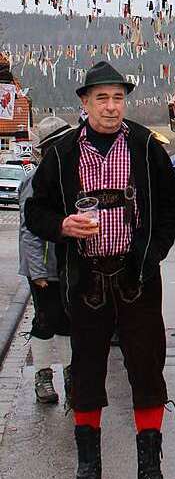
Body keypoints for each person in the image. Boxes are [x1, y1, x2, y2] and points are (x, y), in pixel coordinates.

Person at [25, 61, 175, 479]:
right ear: (84, 102)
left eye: (118, 98)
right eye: (102, 99)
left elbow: (173, 204)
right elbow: (34, 213)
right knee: (88, 371)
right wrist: (63, 226)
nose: (112, 107)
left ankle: (150, 476)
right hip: (87, 280)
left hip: (136, 279)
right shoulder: (60, 153)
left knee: (147, 369)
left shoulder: (144, 145)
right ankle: (88, 471)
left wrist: (151, 253)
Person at [18, 114, 73, 406]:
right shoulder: (35, 180)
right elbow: (29, 231)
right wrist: (38, 272)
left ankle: (69, 376)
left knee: (65, 321)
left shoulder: (65, 174)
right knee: (45, 320)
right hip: (43, 266)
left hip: (62, 264)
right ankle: (42, 376)